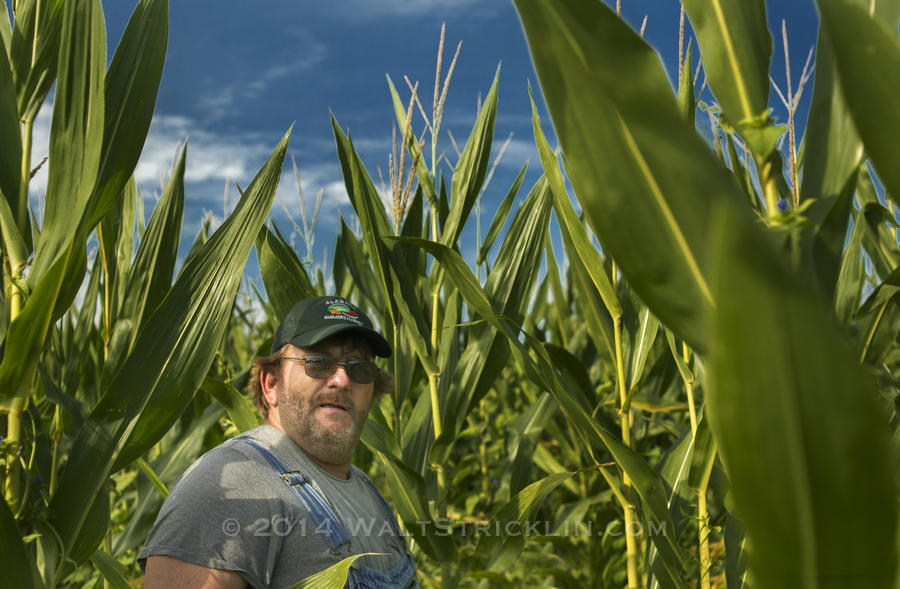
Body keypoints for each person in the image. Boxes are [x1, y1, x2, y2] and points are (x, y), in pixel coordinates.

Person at [139, 296, 419, 588]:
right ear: (271, 384)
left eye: (359, 368)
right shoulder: (234, 483)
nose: (342, 379)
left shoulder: (364, 488)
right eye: (319, 362)